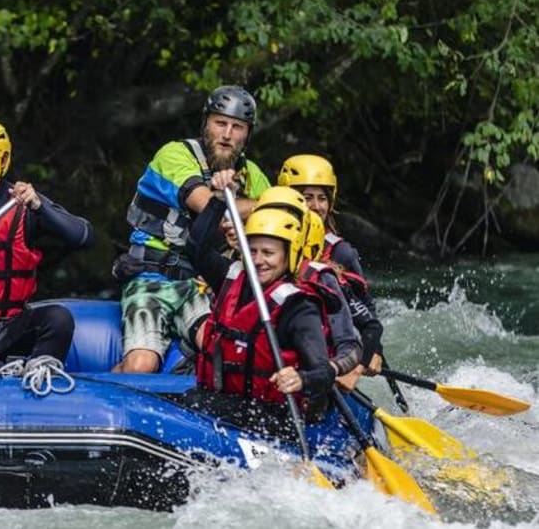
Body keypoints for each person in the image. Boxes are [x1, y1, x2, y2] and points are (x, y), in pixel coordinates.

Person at [112, 85, 270, 373]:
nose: (227, 134)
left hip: (202, 288)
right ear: (205, 123)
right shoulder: (174, 155)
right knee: (142, 364)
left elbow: (280, 214)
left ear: (247, 134)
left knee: (225, 356)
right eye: (220, 123)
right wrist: (251, 205)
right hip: (152, 278)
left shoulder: (253, 176)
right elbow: (207, 205)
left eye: (237, 127)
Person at [0, 120, 93, 369]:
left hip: (13, 326)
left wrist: (40, 207)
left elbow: (82, 236)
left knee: (59, 318)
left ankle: (38, 372)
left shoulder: (23, 203)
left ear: (1, 160)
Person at [190, 200, 336, 409]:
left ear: (288, 255)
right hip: (219, 399)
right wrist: (219, 200)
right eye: (252, 251)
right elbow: (196, 248)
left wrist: (301, 379)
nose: (258, 260)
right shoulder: (230, 277)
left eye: (268, 253)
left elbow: (323, 371)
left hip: (269, 414)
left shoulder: (298, 307)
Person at [277, 154, 384, 390]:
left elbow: (367, 312)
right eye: (307, 198)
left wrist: (369, 354)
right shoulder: (271, 243)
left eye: (322, 198)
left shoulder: (341, 253)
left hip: (332, 349)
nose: (316, 206)